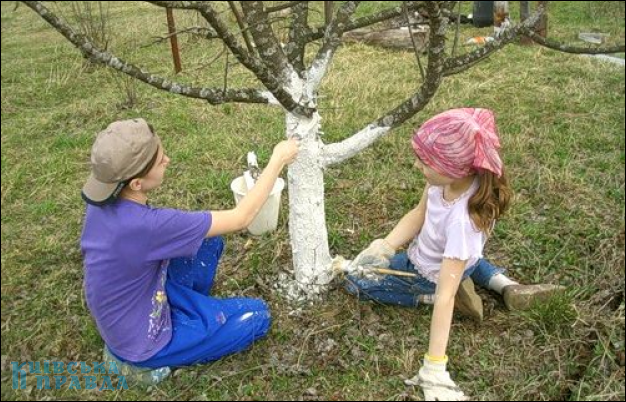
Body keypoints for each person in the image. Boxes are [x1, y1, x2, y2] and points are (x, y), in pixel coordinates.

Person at [345, 108, 563, 400]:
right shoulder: (449, 181)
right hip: (456, 262)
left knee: (357, 283)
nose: (418, 166)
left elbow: (446, 294)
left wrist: (435, 365)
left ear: (456, 167)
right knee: (468, 262)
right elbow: (419, 213)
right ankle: (506, 286)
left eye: (425, 163)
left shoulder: (462, 222)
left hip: (428, 275)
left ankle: (425, 296)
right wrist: (386, 245)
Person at [80, 118, 298, 380]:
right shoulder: (148, 227)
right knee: (257, 316)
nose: (168, 160)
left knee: (208, 240)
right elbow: (241, 218)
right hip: (142, 342)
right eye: (161, 160)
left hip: (132, 303)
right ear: (136, 183)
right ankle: (139, 366)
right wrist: (277, 160)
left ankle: (187, 308)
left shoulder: (102, 202)